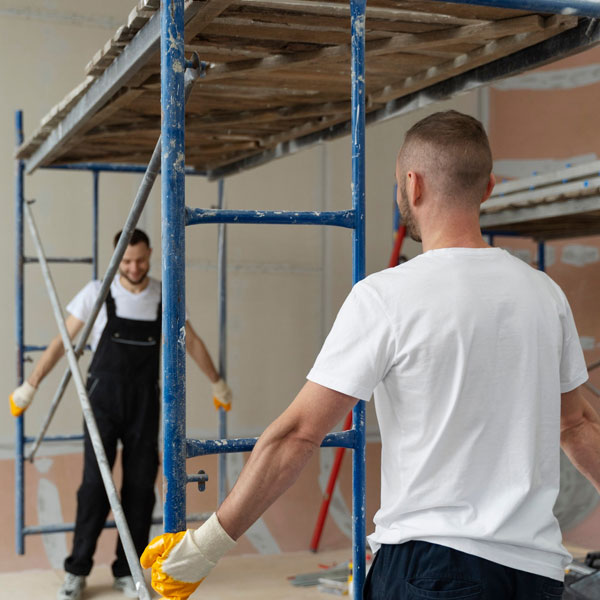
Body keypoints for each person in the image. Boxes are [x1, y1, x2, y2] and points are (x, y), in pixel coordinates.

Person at [140, 111, 600, 600]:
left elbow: (299, 433)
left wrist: (202, 548)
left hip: (431, 567)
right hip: (535, 574)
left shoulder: (386, 297)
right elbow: (577, 427)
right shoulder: (544, 295)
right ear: (487, 188)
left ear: (412, 184)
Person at [9, 228, 232, 600]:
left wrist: (217, 382)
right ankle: (77, 570)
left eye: (141, 260)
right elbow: (61, 342)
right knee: (94, 487)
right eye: (126, 261)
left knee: (141, 488)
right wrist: (30, 386)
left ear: (150, 255)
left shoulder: (164, 293)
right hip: (103, 402)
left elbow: (190, 340)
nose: (133, 267)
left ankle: (127, 571)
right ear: (116, 259)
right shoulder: (96, 293)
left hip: (145, 402)